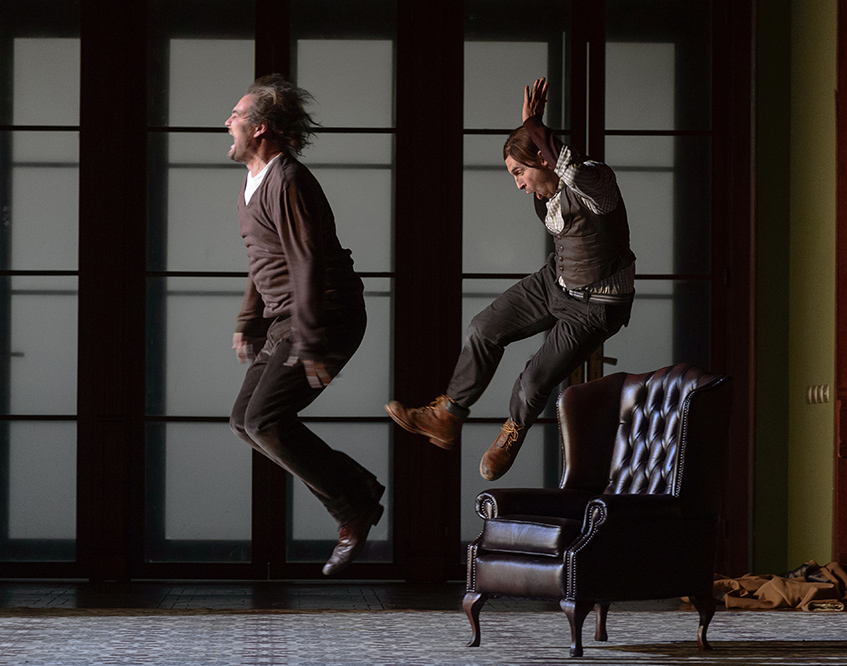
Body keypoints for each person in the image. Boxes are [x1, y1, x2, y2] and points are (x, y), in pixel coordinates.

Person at [386, 77, 635, 481]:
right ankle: (448, 415)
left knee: (533, 380)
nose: (518, 183)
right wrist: (527, 131)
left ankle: (513, 431)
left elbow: (568, 166)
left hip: (595, 305)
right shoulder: (544, 195)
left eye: (520, 171)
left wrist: (533, 124)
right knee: (483, 328)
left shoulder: (595, 182)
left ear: (543, 159)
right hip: (556, 281)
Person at [226, 74, 384, 576]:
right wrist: (249, 319)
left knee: (265, 421)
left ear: (260, 128)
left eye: (236, 115)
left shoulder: (288, 180)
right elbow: (263, 261)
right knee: (244, 421)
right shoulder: (252, 185)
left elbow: (306, 260)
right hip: (286, 318)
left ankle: (352, 508)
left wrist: (312, 340)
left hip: (326, 313)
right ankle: (358, 490)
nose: (227, 122)